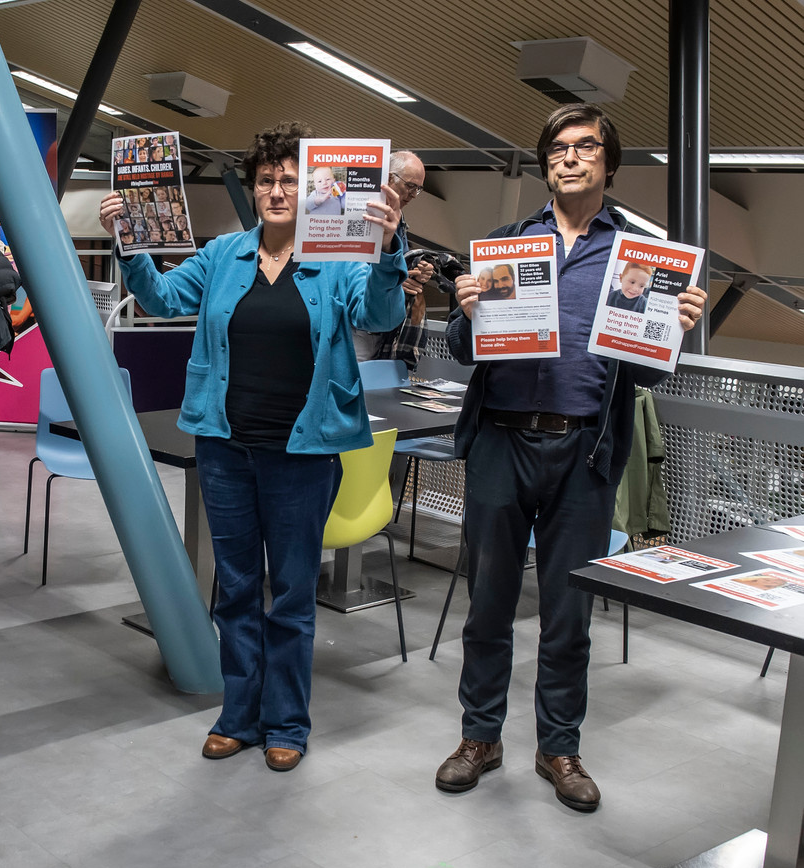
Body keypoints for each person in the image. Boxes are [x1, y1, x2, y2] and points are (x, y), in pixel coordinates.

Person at [98, 121, 407, 772]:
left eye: (289, 180)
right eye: (265, 180)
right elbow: (158, 297)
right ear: (253, 187)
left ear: (312, 190)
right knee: (235, 588)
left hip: (303, 451)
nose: (275, 190)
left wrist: (386, 247)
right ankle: (238, 714)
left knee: (292, 594)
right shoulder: (222, 255)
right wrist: (128, 240)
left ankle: (287, 721)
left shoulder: (340, 261)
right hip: (226, 446)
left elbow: (380, 315)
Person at [434, 103, 707, 812]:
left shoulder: (639, 259)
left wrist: (672, 333)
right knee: (487, 603)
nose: (570, 157)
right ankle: (480, 736)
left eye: (586, 147)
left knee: (568, 612)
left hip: (584, 449)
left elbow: (645, 377)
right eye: (558, 147)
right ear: (547, 162)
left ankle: (558, 746)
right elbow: (465, 353)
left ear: (608, 165)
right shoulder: (504, 245)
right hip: (500, 440)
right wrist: (461, 311)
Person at [356, 150, 430, 365]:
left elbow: (399, 265)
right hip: (357, 325)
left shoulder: (399, 221)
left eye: (418, 189)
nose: (412, 195)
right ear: (388, 178)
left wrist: (416, 273)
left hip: (386, 326)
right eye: (410, 186)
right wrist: (396, 281)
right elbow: (353, 271)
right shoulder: (362, 214)